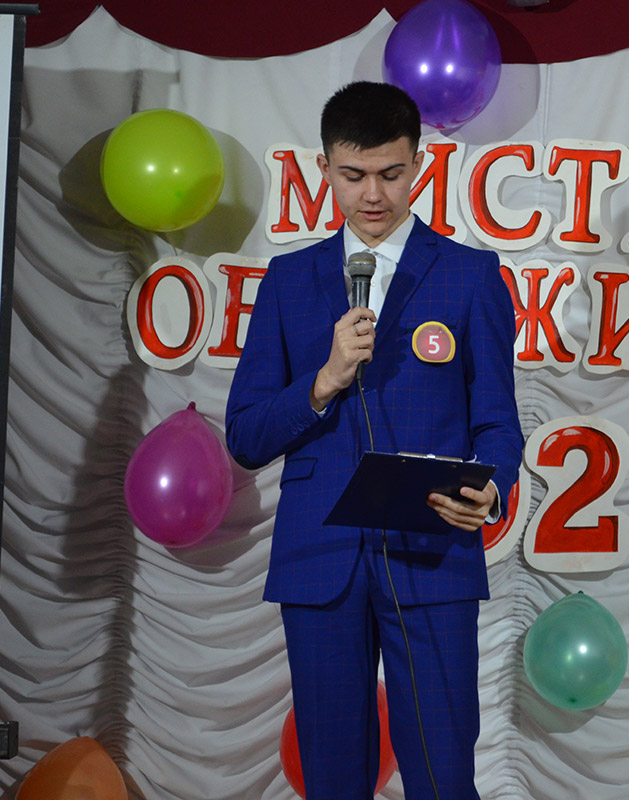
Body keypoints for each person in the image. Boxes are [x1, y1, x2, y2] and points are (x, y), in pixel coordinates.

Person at [226, 81, 523, 800]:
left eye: (391, 173)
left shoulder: (469, 275)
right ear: (324, 168)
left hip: (431, 550)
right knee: (333, 778)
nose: (372, 195)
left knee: (443, 774)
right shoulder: (289, 281)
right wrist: (323, 380)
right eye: (353, 174)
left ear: (418, 163)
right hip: (319, 552)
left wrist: (489, 487)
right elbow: (245, 436)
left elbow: (497, 420)